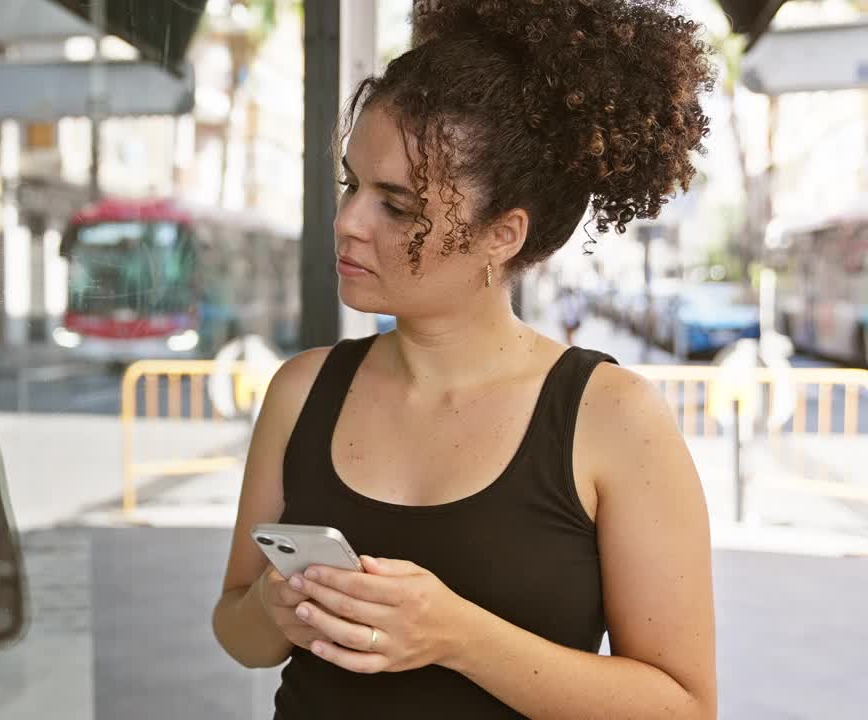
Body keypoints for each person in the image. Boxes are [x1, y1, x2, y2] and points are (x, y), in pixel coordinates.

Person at [212, 1, 717, 718]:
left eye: (398, 205)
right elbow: (241, 636)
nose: (348, 223)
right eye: (352, 185)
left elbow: (684, 708)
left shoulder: (612, 416)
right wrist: (274, 605)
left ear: (502, 234)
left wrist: (456, 636)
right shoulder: (301, 390)